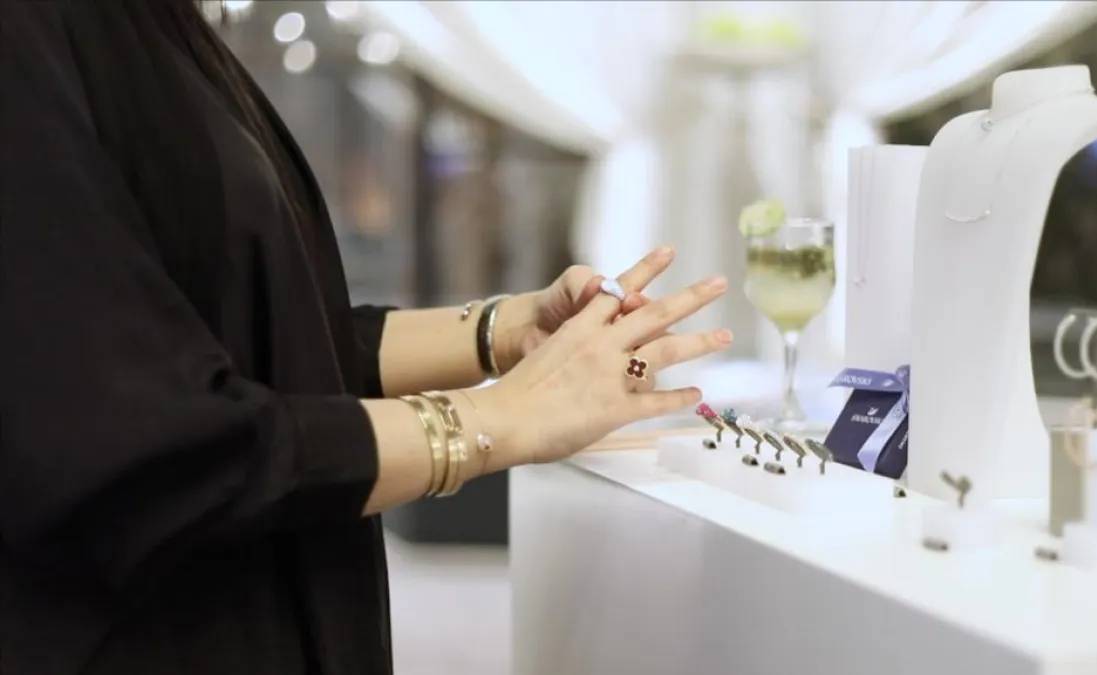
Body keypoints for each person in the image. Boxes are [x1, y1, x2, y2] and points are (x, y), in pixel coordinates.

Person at [0, 2, 732, 674]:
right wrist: (500, 418)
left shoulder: (156, 26)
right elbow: (148, 441)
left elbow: (255, 339)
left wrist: (503, 330)